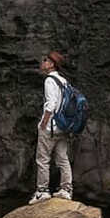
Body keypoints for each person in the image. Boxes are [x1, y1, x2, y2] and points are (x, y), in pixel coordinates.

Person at [29, 51, 73, 204]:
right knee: (62, 158)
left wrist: (44, 122)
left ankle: (42, 191)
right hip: (64, 126)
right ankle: (66, 189)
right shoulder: (64, 81)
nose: (43, 62)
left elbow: (51, 103)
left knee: (43, 159)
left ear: (52, 64)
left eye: (45, 60)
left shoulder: (49, 80)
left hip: (50, 127)